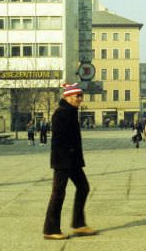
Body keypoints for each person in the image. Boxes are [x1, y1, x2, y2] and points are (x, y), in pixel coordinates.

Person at [43, 83, 96, 240]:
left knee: (83, 188)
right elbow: (59, 139)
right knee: (58, 193)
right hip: (63, 160)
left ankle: (79, 224)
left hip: (72, 161)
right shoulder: (61, 113)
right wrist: (69, 154)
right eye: (76, 96)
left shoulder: (71, 111)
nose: (80, 98)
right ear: (67, 96)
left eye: (81, 95)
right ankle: (50, 229)